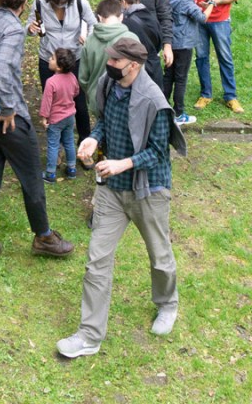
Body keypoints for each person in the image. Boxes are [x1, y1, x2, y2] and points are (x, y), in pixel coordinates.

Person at [56, 35, 186, 360]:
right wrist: (91, 139)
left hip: (148, 190)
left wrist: (122, 163)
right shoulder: (108, 84)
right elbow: (105, 122)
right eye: (110, 59)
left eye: (115, 60)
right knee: (96, 261)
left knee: (160, 256)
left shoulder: (154, 101)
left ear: (134, 65)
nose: (109, 64)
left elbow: (158, 152)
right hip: (112, 191)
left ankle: (167, 305)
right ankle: (89, 335)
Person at [0, 0, 74, 266]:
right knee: (31, 176)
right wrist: (9, 108)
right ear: (23, 6)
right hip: (6, 120)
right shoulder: (11, 28)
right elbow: (0, 68)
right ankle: (44, 237)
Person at [26, 0, 96, 153]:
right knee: (52, 105)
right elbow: (29, 28)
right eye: (56, 1)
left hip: (74, 59)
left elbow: (94, 25)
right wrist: (31, 29)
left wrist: (87, 34)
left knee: (79, 104)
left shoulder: (80, 3)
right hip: (49, 61)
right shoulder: (40, 3)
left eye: (64, 1)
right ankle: (55, 149)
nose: (60, 5)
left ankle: (84, 144)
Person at [189, 0, 244, 113]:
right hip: (199, 18)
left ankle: (231, 96)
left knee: (225, 57)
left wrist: (215, 2)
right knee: (201, 56)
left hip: (220, 19)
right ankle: (206, 94)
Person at [112, 0, 173, 89]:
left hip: (147, 49)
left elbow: (166, 17)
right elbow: (114, 9)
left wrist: (167, 46)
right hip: (125, 46)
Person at [164, 0, 214, 126]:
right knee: (180, 79)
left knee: (168, 77)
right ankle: (179, 113)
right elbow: (202, 18)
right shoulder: (185, 0)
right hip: (183, 44)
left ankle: (163, 111)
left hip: (169, 43)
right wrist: (212, 3)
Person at [78, 0, 130, 111]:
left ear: (99, 17)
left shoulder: (89, 41)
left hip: (97, 100)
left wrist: (91, 93)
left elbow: (83, 78)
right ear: (121, 17)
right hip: (124, 101)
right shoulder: (132, 39)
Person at [39, 47, 79, 182]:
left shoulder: (51, 82)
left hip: (55, 119)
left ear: (59, 67)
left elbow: (46, 102)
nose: (49, 60)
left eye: (52, 58)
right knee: (69, 142)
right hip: (70, 117)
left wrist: (44, 117)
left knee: (53, 144)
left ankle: (50, 173)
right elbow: (76, 92)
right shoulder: (73, 77)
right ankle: (72, 169)